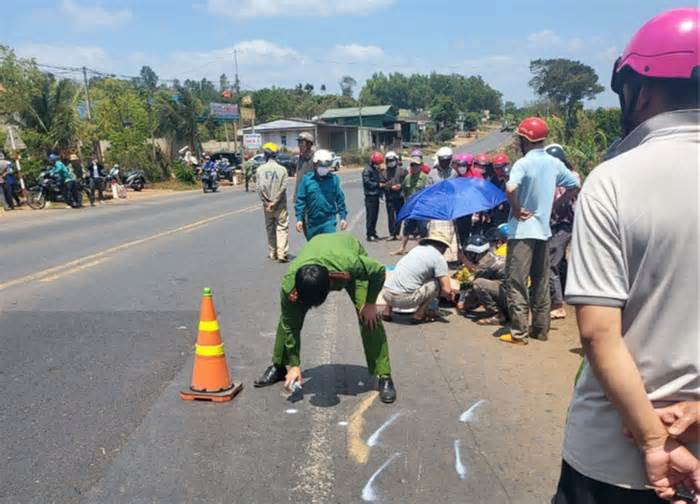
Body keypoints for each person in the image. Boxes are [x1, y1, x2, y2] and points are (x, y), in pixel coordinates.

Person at [553, 8, 700, 503]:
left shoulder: (615, 180)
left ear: (639, 90)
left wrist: (656, 442)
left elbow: (597, 333)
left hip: (613, 460)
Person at [253, 232, 397, 404]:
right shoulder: (290, 284)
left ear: (330, 285)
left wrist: (370, 303)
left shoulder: (349, 264)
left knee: (369, 318)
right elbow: (290, 326)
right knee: (288, 319)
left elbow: (379, 271)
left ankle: (384, 375)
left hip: (346, 249)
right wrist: (294, 365)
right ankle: (279, 366)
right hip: (318, 250)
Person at [500, 117, 580, 345]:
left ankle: (519, 332)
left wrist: (516, 208)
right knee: (541, 281)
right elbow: (574, 185)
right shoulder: (554, 163)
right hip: (544, 231)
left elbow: (510, 187)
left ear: (525, 139)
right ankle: (541, 329)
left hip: (523, 231)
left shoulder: (522, 163)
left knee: (516, 281)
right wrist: (555, 204)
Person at [382, 230, 455, 325]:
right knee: (436, 283)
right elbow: (446, 290)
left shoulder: (416, 249)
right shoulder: (439, 258)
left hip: (386, 295)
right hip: (406, 300)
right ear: (443, 247)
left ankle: (387, 311)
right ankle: (419, 314)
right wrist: (449, 295)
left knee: (402, 277)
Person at [544, 144, 581, 321]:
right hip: (555, 224)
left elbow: (575, 189)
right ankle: (564, 294)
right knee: (560, 262)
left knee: (551, 262)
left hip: (564, 224)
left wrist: (555, 205)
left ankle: (558, 305)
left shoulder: (570, 176)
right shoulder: (553, 176)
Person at [295, 149, 348, 240]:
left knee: (328, 249)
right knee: (314, 249)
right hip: (312, 222)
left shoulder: (334, 180)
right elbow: (300, 200)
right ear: (315, 165)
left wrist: (343, 217)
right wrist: (299, 219)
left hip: (329, 221)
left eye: (326, 166)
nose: (324, 168)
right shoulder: (307, 180)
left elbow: (340, 199)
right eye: (321, 166)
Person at [458, 234, 508, 325]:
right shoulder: (491, 256)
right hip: (511, 296)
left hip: (508, 298)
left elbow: (474, 291)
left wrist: (464, 305)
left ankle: (497, 315)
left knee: (478, 283)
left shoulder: (483, 266)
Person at [255, 143, 289, 263]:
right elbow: (283, 187)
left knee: (270, 227)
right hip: (280, 205)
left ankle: (272, 252)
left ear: (265, 155)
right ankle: (282, 253)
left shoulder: (259, 170)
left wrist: (267, 203)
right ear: (276, 155)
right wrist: (275, 201)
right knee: (282, 227)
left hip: (267, 206)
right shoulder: (283, 170)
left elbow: (258, 188)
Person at [393, 155, 429, 256]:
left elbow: (429, 192)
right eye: (412, 165)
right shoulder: (407, 178)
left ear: (420, 166)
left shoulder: (425, 178)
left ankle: (424, 250)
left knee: (423, 229)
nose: (414, 167)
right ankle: (402, 248)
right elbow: (404, 190)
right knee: (407, 228)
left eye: (416, 165)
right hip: (410, 208)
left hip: (421, 208)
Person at [383, 151, 406, 241]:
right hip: (389, 197)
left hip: (399, 196)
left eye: (392, 160)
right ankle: (392, 233)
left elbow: (406, 181)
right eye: (389, 160)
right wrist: (389, 186)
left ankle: (397, 233)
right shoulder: (384, 172)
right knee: (390, 216)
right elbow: (382, 183)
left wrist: (400, 186)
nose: (390, 162)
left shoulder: (402, 171)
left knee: (399, 215)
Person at [363, 151, 385, 241]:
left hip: (376, 195)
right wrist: (378, 185)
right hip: (370, 196)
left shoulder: (376, 170)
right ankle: (369, 234)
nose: (378, 165)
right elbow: (367, 182)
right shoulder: (367, 170)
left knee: (375, 215)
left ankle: (373, 232)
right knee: (370, 216)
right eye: (377, 163)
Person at [294, 132, 315, 199]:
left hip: (311, 196)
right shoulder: (300, 158)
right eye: (299, 143)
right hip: (300, 197)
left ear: (309, 144)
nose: (299, 145)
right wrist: (296, 195)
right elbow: (299, 179)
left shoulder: (315, 159)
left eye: (301, 142)